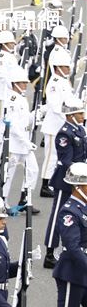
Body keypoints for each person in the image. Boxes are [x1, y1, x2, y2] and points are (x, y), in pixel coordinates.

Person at [45, 162, 87, 307]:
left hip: (84, 268)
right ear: (79, 187)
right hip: (72, 272)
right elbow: (73, 247)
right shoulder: (70, 210)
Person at [43, 98, 86, 269]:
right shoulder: (65, 133)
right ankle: (50, 252)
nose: (83, 116)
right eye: (80, 113)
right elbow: (66, 160)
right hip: (65, 180)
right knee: (57, 216)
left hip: (81, 179)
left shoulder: (80, 130)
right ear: (71, 115)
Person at [3, 67, 39, 213]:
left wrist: (38, 113)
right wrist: (25, 142)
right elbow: (12, 124)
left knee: (33, 170)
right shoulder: (12, 99)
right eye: (22, 83)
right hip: (14, 144)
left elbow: (25, 121)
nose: (25, 85)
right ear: (14, 83)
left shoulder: (21, 98)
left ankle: (25, 197)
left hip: (24, 143)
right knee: (8, 174)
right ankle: (3, 201)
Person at [40, 51, 73, 198]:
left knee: (61, 157)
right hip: (54, 126)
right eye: (65, 67)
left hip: (63, 125)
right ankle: (45, 185)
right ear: (58, 67)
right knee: (50, 157)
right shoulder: (53, 84)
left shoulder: (64, 81)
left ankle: (56, 181)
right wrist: (69, 115)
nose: (68, 69)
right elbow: (55, 106)